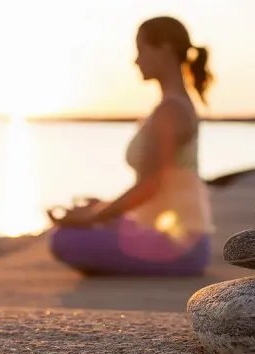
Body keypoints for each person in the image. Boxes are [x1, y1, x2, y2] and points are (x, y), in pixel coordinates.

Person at [47, 16, 215, 276]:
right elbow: (155, 188)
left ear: (165, 48)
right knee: (77, 229)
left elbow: (150, 186)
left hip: (179, 245)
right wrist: (101, 206)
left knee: (63, 239)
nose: (136, 60)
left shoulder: (172, 111)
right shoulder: (173, 106)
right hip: (170, 236)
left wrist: (92, 217)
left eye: (141, 50)